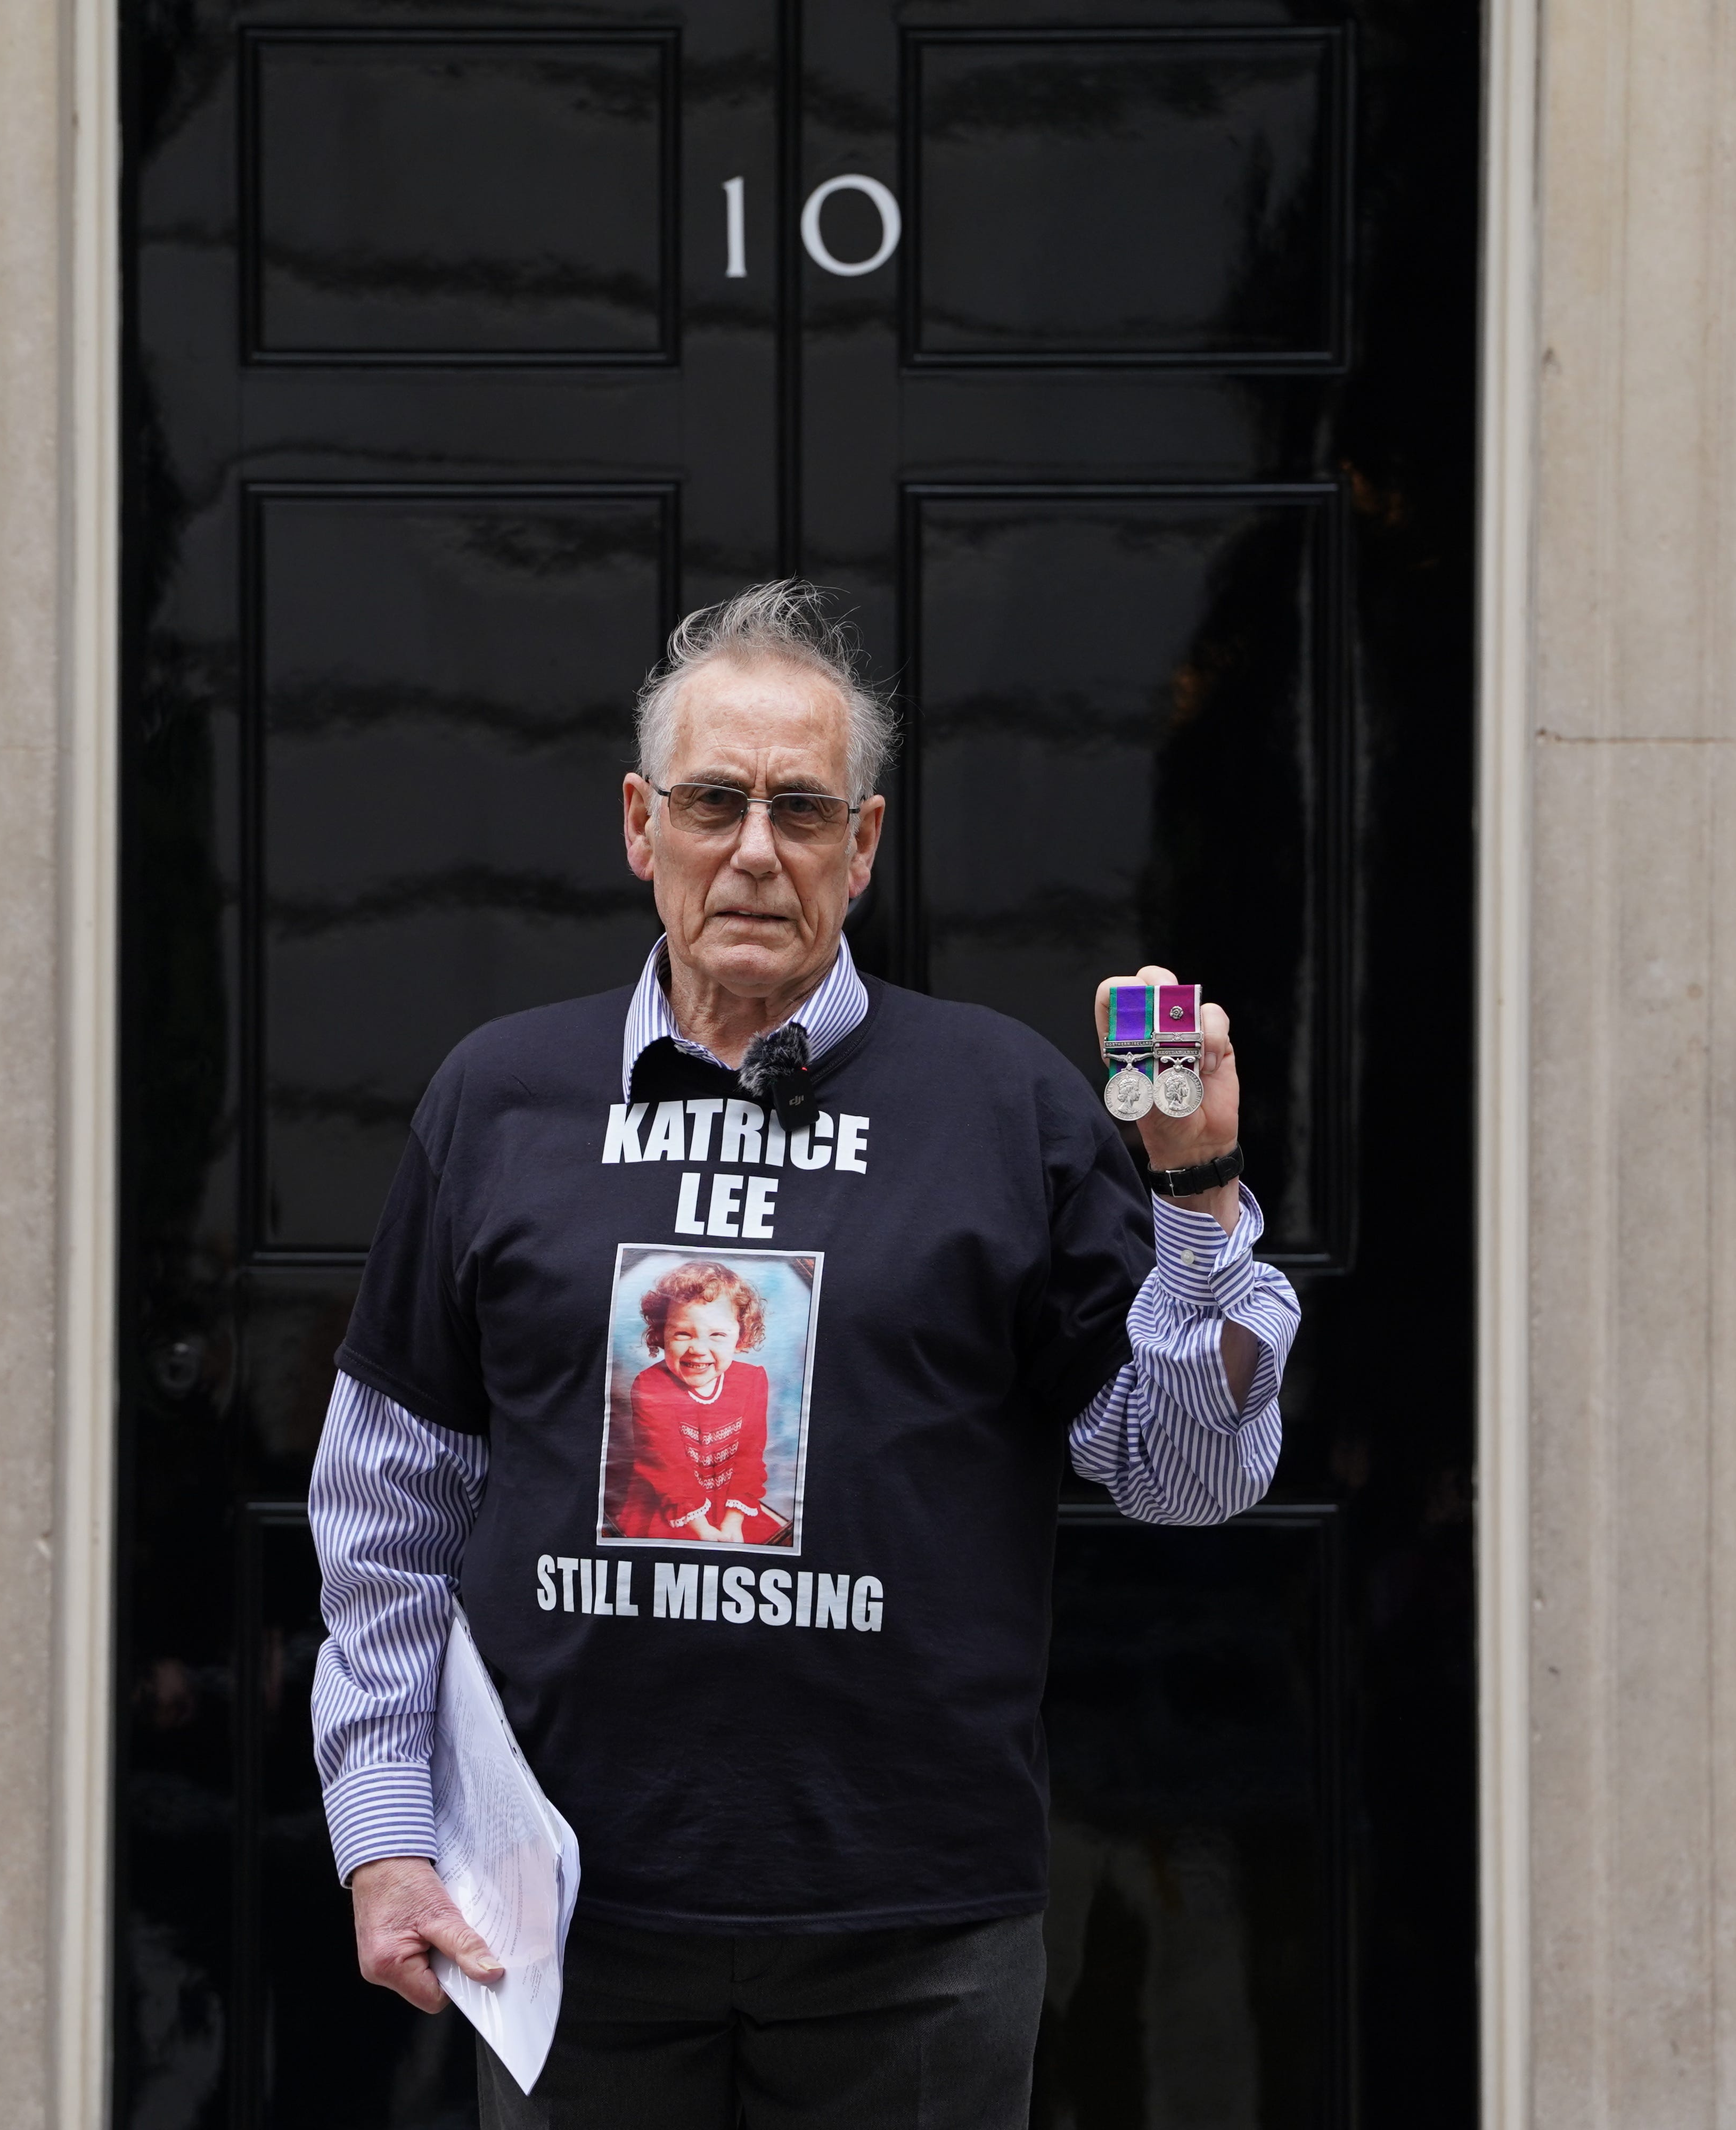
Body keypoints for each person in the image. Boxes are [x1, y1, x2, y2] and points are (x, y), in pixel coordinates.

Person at [308, 579, 1301, 2129]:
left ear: (863, 842)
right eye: (713, 801)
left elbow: (1184, 1478)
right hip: (561, 1920)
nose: (754, 848)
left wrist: (1194, 1192)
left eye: (799, 806)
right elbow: (388, 1514)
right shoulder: (495, 1101)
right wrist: (383, 1837)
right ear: (640, 825)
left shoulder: (1004, 1104)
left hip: (912, 1937)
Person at [612, 1259, 789, 1546]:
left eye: (717, 1335)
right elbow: (668, 1468)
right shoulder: (651, 1385)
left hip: (728, 1501)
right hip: (671, 1502)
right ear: (661, 1334)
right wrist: (703, 1531)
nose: (698, 1348)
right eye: (683, 1333)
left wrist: (733, 1519)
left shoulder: (752, 1380)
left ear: (740, 1337)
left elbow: (749, 1457)